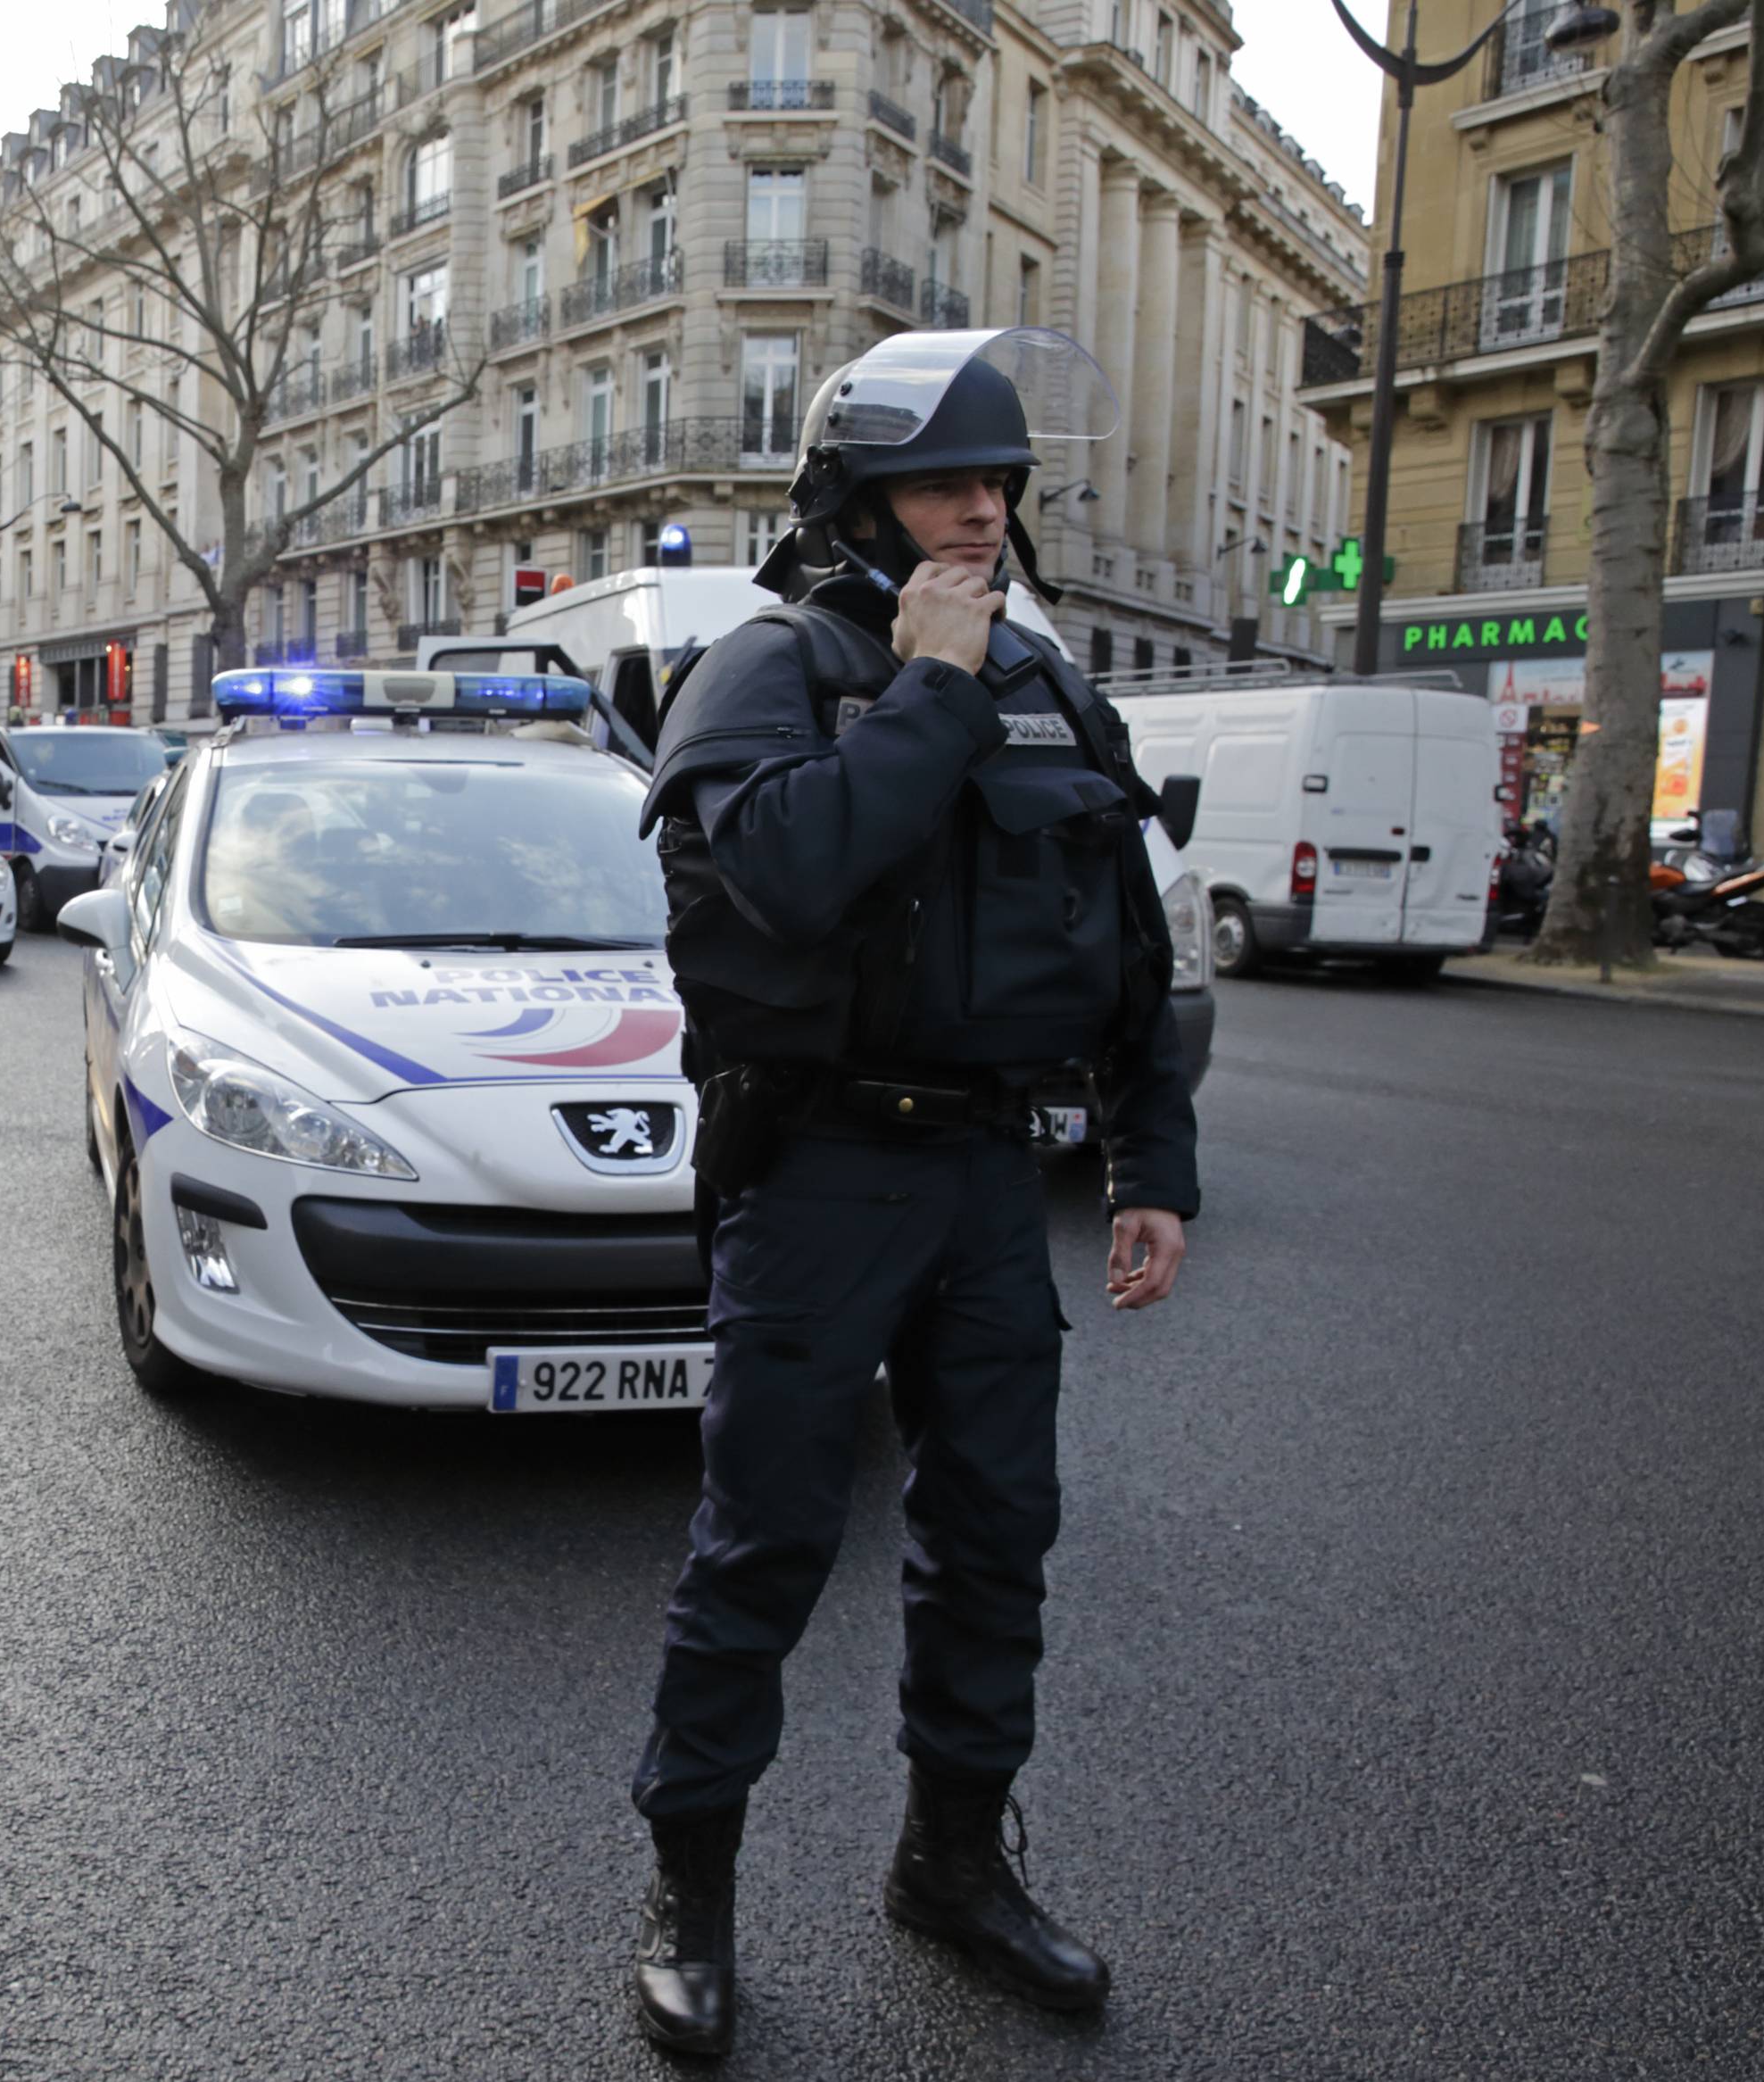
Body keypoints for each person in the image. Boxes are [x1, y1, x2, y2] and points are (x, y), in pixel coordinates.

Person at [626, 328, 1197, 2054]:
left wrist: (1148, 1158)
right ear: (855, 493)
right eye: (945, 480)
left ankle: (951, 1868)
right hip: (817, 1171)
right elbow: (790, 873)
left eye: (1000, 483)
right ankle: (690, 1888)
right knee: (770, 1542)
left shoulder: (1053, 685)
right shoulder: (770, 667)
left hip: (978, 1178)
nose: (980, 511)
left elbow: (1131, 943)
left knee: (995, 1539)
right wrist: (933, 689)